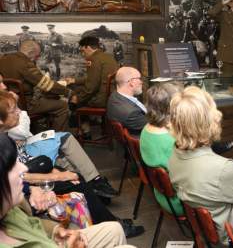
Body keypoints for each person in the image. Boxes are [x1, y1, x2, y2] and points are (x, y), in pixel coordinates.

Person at [0, 91, 145, 239]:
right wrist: (54, 177)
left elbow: (22, 166)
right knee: (76, 182)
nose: (19, 112)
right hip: (22, 191)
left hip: (27, 178)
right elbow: (20, 175)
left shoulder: (5, 137)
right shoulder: (3, 142)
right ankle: (109, 221)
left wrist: (54, 171)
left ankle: (103, 214)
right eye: (13, 110)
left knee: (72, 173)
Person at [0, 133, 138, 248]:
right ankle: (96, 185)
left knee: (114, 229)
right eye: (11, 167)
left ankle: (97, 184)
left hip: (51, 240)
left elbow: (32, 224)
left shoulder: (11, 209)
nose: (23, 169)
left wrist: (56, 231)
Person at [168, 86, 233, 244]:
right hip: (229, 234)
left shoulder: (174, 154)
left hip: (204, 228)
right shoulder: (222, 169)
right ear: (210, 120)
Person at [1, 73, 117, 198]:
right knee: (62, 111)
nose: (4, 85)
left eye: (3, 81)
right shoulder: (6, 106)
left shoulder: (6, 101)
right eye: (0, 83)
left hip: (25, 145)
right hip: (25, 149)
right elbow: (22, 131)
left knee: (65, 142)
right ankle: (92, 184)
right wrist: (68, 92)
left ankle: (92, 183)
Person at [0, 39, 74, 131]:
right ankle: (58, 139)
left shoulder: (3, 59)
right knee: (62, 106)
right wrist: (68, 92)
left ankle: (36, 130)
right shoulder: (26, 63)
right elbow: (46, 85)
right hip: (26, 105)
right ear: (31, 52)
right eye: (37, 56)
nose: (37, 58)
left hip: (7, 104)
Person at [140, 82, 184, 215]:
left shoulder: (146, 130)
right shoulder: (170, 141)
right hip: (181, 202)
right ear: (171, 107)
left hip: (162, 196)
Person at [65, 36, 118, 108]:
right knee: (76, 87)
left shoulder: (94, 60)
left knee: (71, 93)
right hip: (111, 96)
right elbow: (94, 79)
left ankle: (77, 116)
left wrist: (77, 98)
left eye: (83, 51)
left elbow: (91, 87)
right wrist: (74, 80)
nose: (83, 54)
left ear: (88, 48)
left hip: (100, 100)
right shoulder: (107, 57)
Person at [107, 66, 146, 138]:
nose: (141, 82)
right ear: (131, 82)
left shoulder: (115, 96)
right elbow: (155, 127)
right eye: (139, 79)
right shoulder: (132, 113)